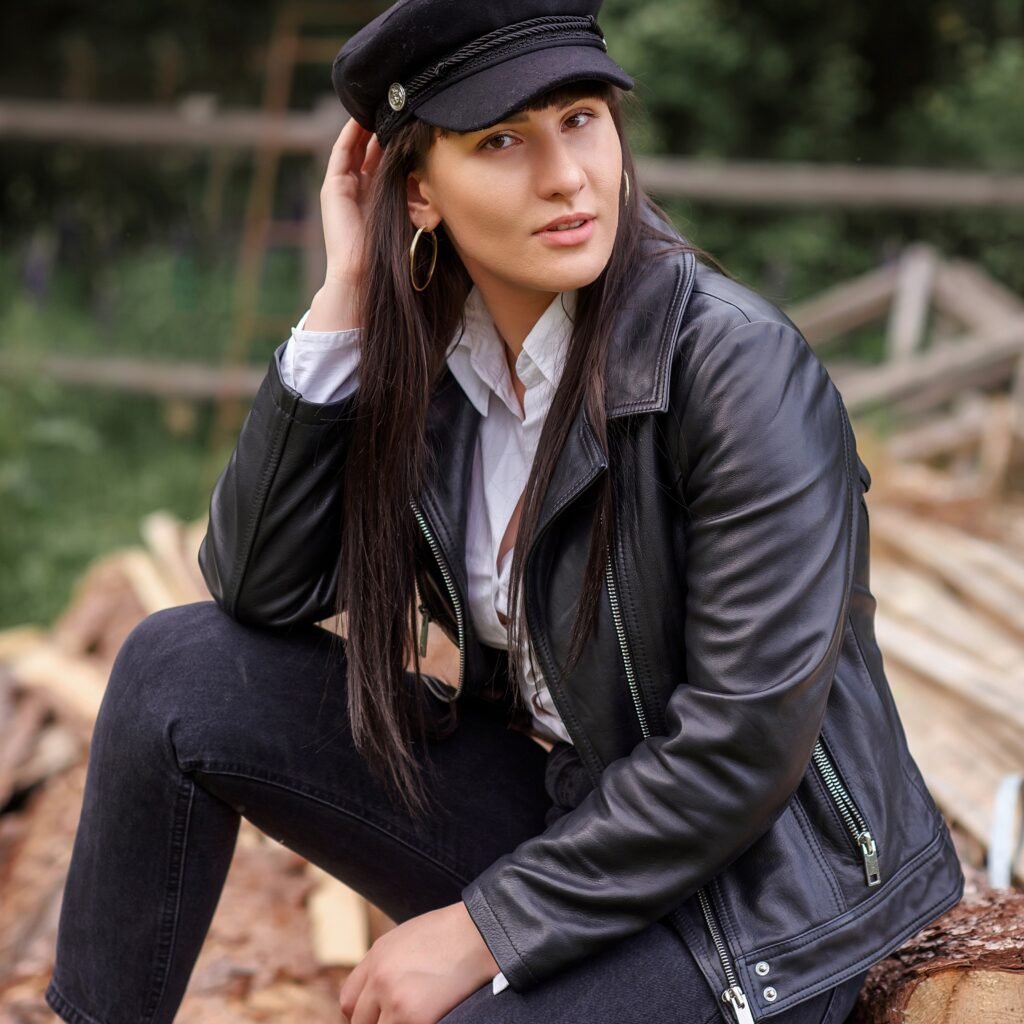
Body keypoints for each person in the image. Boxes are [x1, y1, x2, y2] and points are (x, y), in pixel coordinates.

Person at [44, 2, 965, 1023]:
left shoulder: (732, 365)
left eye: (579, 118)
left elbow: (741, 745)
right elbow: (262, 585)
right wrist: (345, 291)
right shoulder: (439, 363)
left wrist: (480, 928)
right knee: (176, 667)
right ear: (418, 189)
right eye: (500, 140)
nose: (566, 174)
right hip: (576, 818)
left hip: (764, 897)